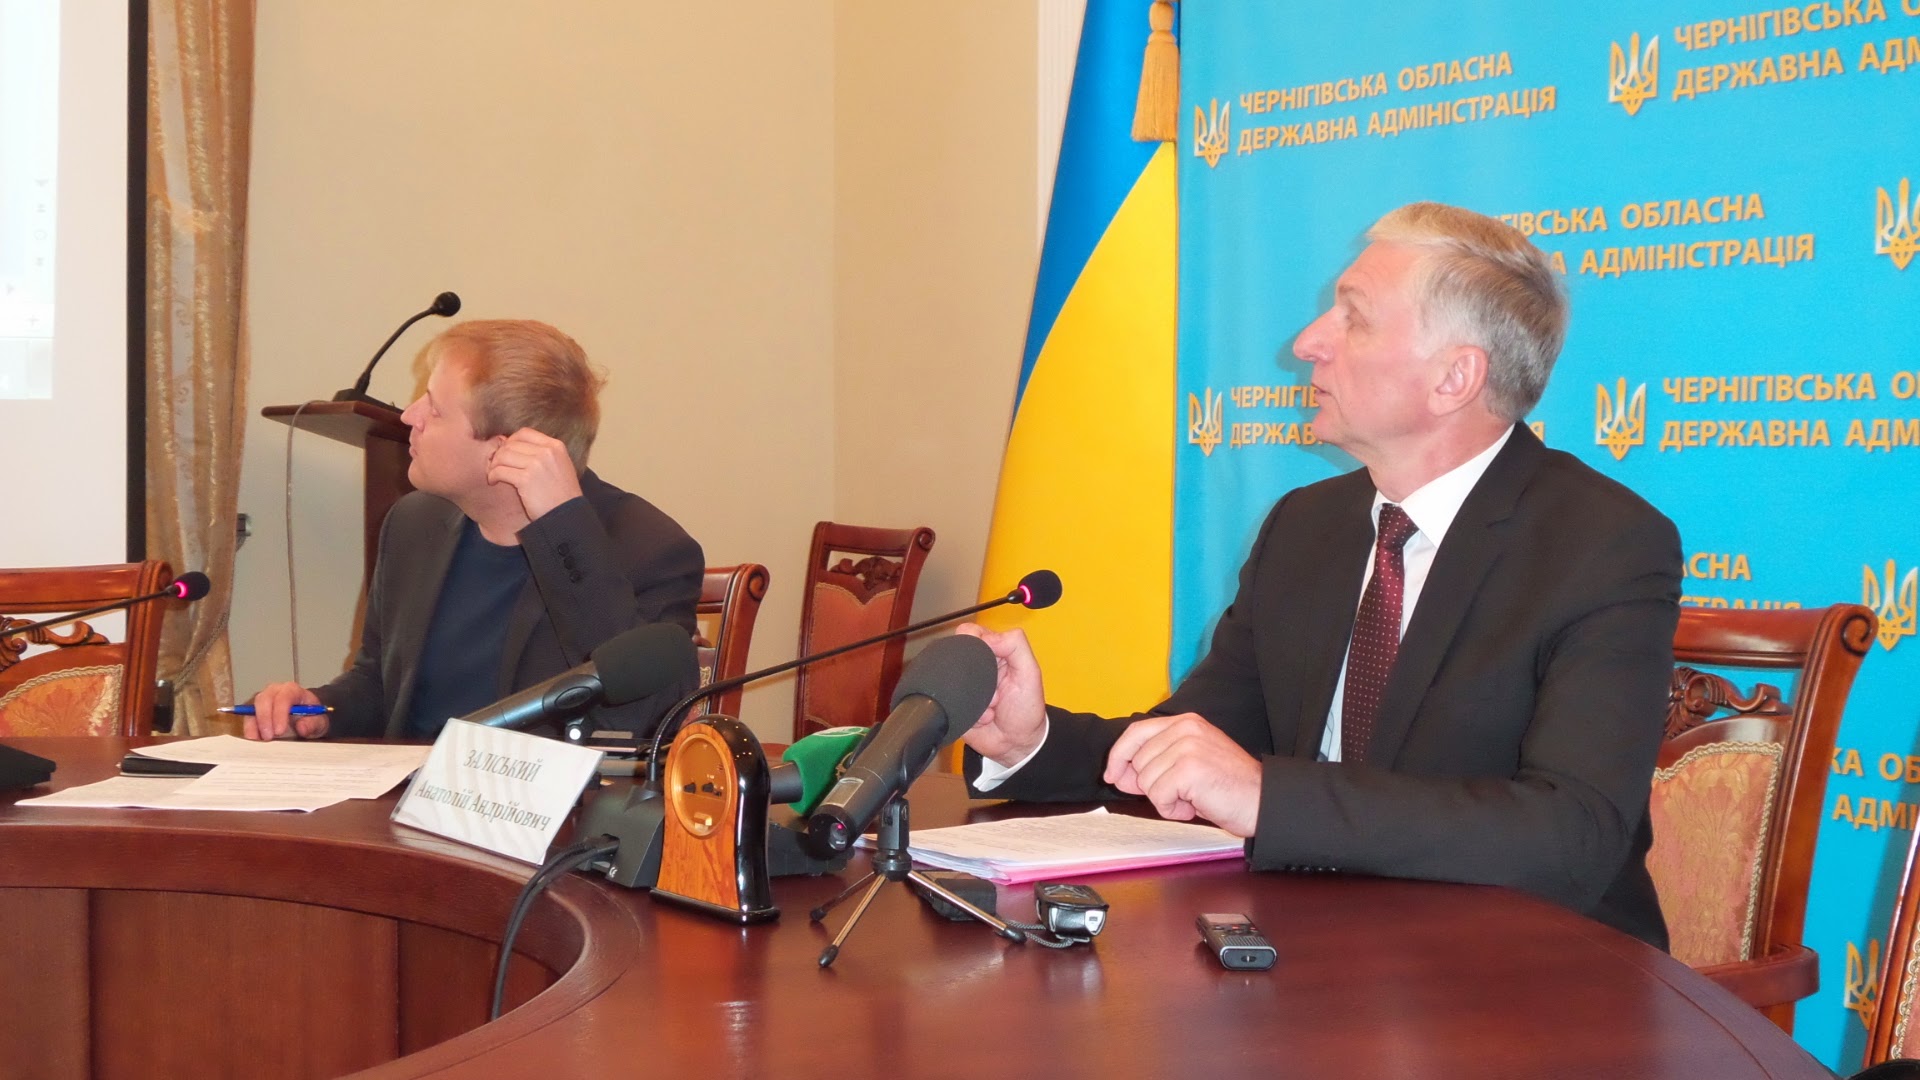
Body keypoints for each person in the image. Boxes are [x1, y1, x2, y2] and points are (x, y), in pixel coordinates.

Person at [959, 202, 1682, 948]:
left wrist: (1267, 797)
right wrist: (1030, 741)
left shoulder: (1601, 544)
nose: (1307, 343)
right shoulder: (1307, 527)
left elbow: (1570, 835)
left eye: (1354, 318)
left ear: (1455, 377)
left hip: (1529, 969)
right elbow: (1192, 746)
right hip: (1320, 949)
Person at [244, 319, 702, 742]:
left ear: (505, 450)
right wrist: (319, 710)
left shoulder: (650, 548)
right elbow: (379, 684)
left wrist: (565, 530)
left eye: (434, 409)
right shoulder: (413, 523)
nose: (408, 416)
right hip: (407, 794)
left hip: (537, 801)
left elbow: (642, 717)